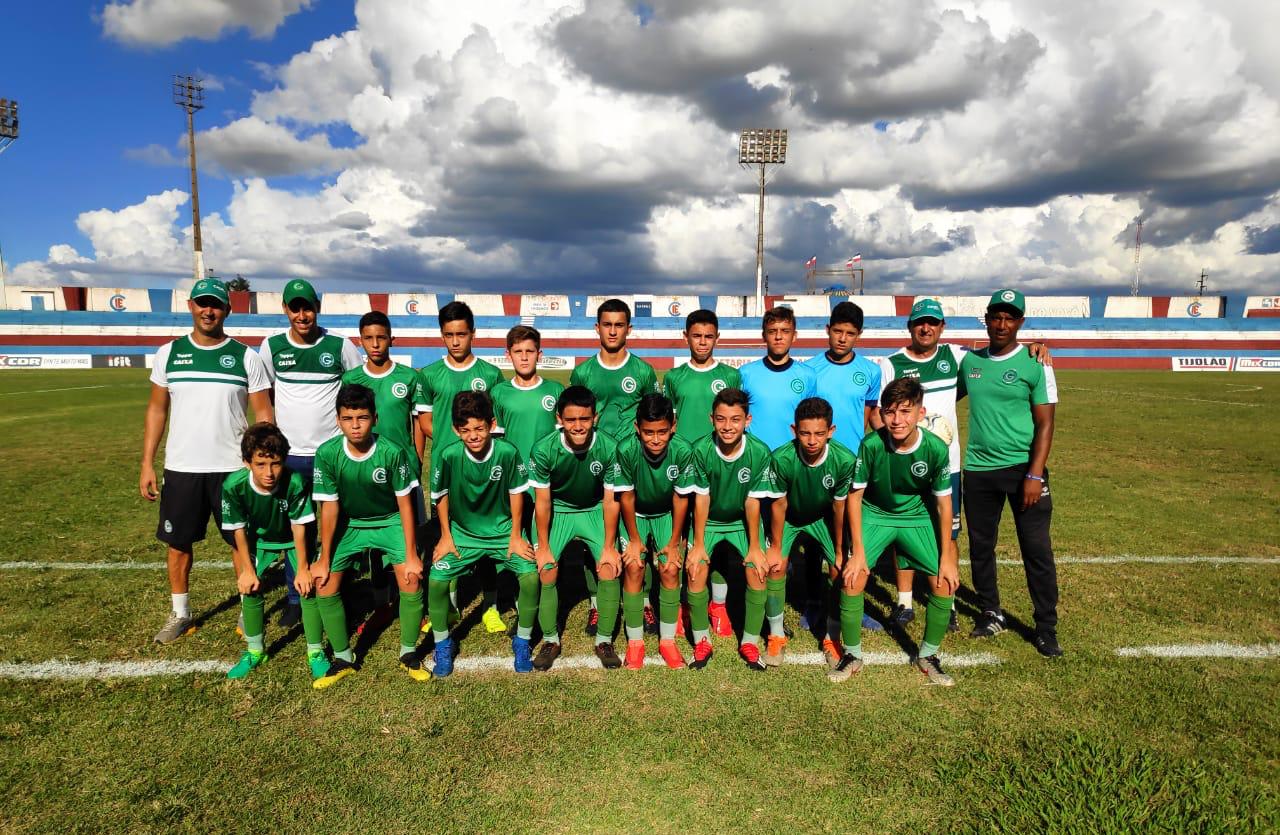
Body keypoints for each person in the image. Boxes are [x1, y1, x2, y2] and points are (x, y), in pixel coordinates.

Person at [876, 298, 1051, 629]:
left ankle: (948, 602)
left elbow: (996, 355)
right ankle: (904, 602)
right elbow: (880, 413)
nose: (925, 328)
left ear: (943, 328)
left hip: (949, 466)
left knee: (948, 534)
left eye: (932, 322)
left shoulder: (958, 357)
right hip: (903, 462)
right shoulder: (892, 363)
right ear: (909, 327)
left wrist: (1036, 346)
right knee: (904, 531)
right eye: (919, 322)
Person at [140, 277, 273, 644]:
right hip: (182, 468)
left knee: (241, 542)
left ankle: (249, 610)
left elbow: (263, 412)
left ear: (227, 310)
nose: (208, 310)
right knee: (178, 544)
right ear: (191, 307)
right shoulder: (169, 353)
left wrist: (262, 464)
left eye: (215, 304)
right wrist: (147, 462)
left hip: (232, 469)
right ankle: (181, 614)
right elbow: (156, 409)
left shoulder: (246, 356)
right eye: (202, 303)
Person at [959, 289, 1061, 657]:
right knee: (981, 546)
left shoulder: (1037, 363)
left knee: (1036, 549)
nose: (1002, 325)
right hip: (979, 470)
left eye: (1010, 318)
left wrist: (1034, 475)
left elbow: (1046, 424)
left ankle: (1045, 626)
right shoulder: (969, 362)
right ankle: (990, 612)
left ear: (1020, 322)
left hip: (1023, 471)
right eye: (996, 317)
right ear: (986, 319)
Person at [842, 377, 959, 686]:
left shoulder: (935, 448)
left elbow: (944, 505)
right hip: (875, 514)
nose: (897, 420)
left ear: (920, 413)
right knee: (853, 577)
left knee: (943, 583)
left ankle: (928, 655)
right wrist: (858, 552)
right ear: (882, 413)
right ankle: (852, 654)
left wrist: (947, 555)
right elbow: (854, 498)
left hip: (915, 518)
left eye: (906, 412)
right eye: (891, 412)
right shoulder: (871, 445)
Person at [258, 278, 361, 627]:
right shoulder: (271, 347)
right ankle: (295, 597)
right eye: (295, 307)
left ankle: (337, 587)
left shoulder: (340, 345)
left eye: (308, 307)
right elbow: (263, 395)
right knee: (296, 529)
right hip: (290, 457)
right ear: (286, 310)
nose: (302, 314)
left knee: (339, 526)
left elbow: (356, 395)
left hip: (332, 454)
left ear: (317, 307)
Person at [310, 384, 426, 687]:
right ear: (337, 420)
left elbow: (405, 504)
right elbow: (330, 508)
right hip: (350, 524)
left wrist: (412, 553)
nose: (355, 425)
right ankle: (343, 657)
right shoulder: (327, 454)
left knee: (411, 577)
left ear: (374, 418)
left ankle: (408, 653)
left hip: (389, 522)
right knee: (324, 583)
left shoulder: (391, 452)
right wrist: (323, 558)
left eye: (362, 418)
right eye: (348, 419)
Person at [428, 392, 537, 675]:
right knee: (437, 581)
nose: (473, 436)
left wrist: (516, 535)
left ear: (492, 424)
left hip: (503, 534)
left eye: (479, 428)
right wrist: (446, 536)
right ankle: (443, 644)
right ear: (455, 429)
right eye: (465, 431)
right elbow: (441, 496)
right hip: (462, 535)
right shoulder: (448, 455)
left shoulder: (507, 452)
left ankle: (522, 640)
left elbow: (517, 495)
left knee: (530, 576)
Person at [569, 298, 660, 632]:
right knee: (596, 535)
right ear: (597, 328)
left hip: (633, 465)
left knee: (639, 536)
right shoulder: (583, 372)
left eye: (619, 324)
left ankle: (645, 601)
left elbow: (654, 417)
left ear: (629, 329)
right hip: (593, 463)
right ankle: (597, 603)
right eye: (606, 324)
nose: (612, 330)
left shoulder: (643, 371)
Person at [416, 301, 506, 633]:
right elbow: (425, 421)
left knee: (485, 535)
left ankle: (491, 604)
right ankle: (450, 605)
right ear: (442, 335)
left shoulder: (490, 374)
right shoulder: (429, 375)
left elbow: (495, 424)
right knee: (446, 536)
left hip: (483, 470)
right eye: (449, 335)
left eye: (462, 334)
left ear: (473, 334)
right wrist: (451, 443)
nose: (455, 341)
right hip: (447, 467)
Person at [220, 423, 328, 681]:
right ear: (247, 462)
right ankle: (255, 651)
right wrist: (247, 570)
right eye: (260, 464)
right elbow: (238, 531)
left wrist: (302, 569)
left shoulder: (295, 482)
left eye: (276, 464)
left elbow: (300, 527)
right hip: (260, 542)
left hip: (293, 539)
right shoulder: (233, 486)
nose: (269, 472)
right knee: (250, 586)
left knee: (307, 587)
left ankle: (315, 651)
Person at [342, 311, 426, 637]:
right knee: (374, 541)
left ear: (392, 339)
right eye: (368, 338)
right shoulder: (352, 380)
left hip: (404, 473)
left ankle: (414, 604)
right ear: (360, 341)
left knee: (410, 538)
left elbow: (418, 423)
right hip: (367, 474)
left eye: (381, 337)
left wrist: (417, 458)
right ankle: (381, 601)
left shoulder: (408, 377)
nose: (375, 344)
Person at [527, 386, 623, 671]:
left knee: (608, 566)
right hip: (559, 510)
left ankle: (604, 641)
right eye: (570, 420)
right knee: (547, 569)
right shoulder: (544, 449)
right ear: (559, 419)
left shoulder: (609, 447)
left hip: (594, 509)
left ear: (595, 417)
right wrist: (543, 547)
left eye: (584, 418)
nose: (578, 426)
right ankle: (550, 640)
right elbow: (542, 503)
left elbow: (610, 501)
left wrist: (608, 546)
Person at [801, 301, 882, 634]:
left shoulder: (871, 371)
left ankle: (850, 601)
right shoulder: (808, 370)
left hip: (852, 467)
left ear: (859, 335)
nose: (843, 338)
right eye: (838, 331)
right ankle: (813, 602)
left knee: (850, 537)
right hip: (815, 465)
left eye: (850, 333)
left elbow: (868, 417)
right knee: (812, 541)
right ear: (827, 331)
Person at [683, 388, 777, 671]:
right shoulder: (700, 450)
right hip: (708, 521)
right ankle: (702, 640)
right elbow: (701, 498)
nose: (728, 426)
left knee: (757, 570)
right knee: (696, 568)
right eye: (721, 419)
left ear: (747, 420)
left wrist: (754, 547)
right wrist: (698, 544)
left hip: (740, 521)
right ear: (712, 419)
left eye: (735, 419)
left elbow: (752, 501)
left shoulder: (759, 452)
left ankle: (749, 642)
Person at [766, 398, 857, 669]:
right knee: (775, 566)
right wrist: (776, 547)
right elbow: (779, 504)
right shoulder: (782, 457)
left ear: (831, 431)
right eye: (805, 433)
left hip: (823, 518)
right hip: (791, 516)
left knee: (839, 569)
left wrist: (840, 551)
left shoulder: (843, 460)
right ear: (794, 430)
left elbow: (840, 508)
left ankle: (832, 637)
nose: (812, 440)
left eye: (819, 433)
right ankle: (775, 635)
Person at [611, 393, 695, 669]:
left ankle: (667, 641)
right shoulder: (626, 449)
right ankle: (635, 643)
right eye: (648, 433)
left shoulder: (682, 450)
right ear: (637, 429)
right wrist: (634, 540)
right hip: (634, 514)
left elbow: (681, 498)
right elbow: (626, 497)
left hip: (666, 514)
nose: (656, 439)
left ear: (673, 426)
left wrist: (673, 543)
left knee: (670, 568)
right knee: (634, 566)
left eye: (662, 432)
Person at [738, 306, 817, 452]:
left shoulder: (808, 375)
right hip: (754, 457)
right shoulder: (745, 373)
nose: (778, 337)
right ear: (764, 336)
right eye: (772, 331)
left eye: (785, 331)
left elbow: (811, 421)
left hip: (792, 457)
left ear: (794, 336)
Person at [662, 309, 741, 443]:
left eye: (709, 336)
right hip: (683, 453)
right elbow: (667, 422)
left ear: (717, 338)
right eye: (697, 336)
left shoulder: (732, 375)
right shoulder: (672, 377)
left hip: (717, 452)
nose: (703, 342)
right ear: (686, 337)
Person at [491, 325, 565, 463]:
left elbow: (563, 437)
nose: (524, 357)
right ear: (508, 355)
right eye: (518, 351)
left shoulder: (556, 390)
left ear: (539, 355)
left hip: (548, 472)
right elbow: (496, 439)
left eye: (529, 351)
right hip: (514, 473)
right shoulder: (498, 392)